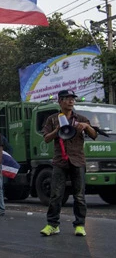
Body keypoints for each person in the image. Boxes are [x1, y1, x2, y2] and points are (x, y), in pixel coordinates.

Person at [40, 90, 97, 237]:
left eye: (73, 99)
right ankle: (52, 225)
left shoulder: (81, 118)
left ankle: (79, 225)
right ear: (60, 101)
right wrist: (57, 130)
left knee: (79, 195)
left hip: (78, 160)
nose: (71, 101)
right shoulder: (52, 119)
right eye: (67, 99)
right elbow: (46, 138)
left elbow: (94, 135)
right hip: (60, 161)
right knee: (56, 194)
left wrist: (86, 126)